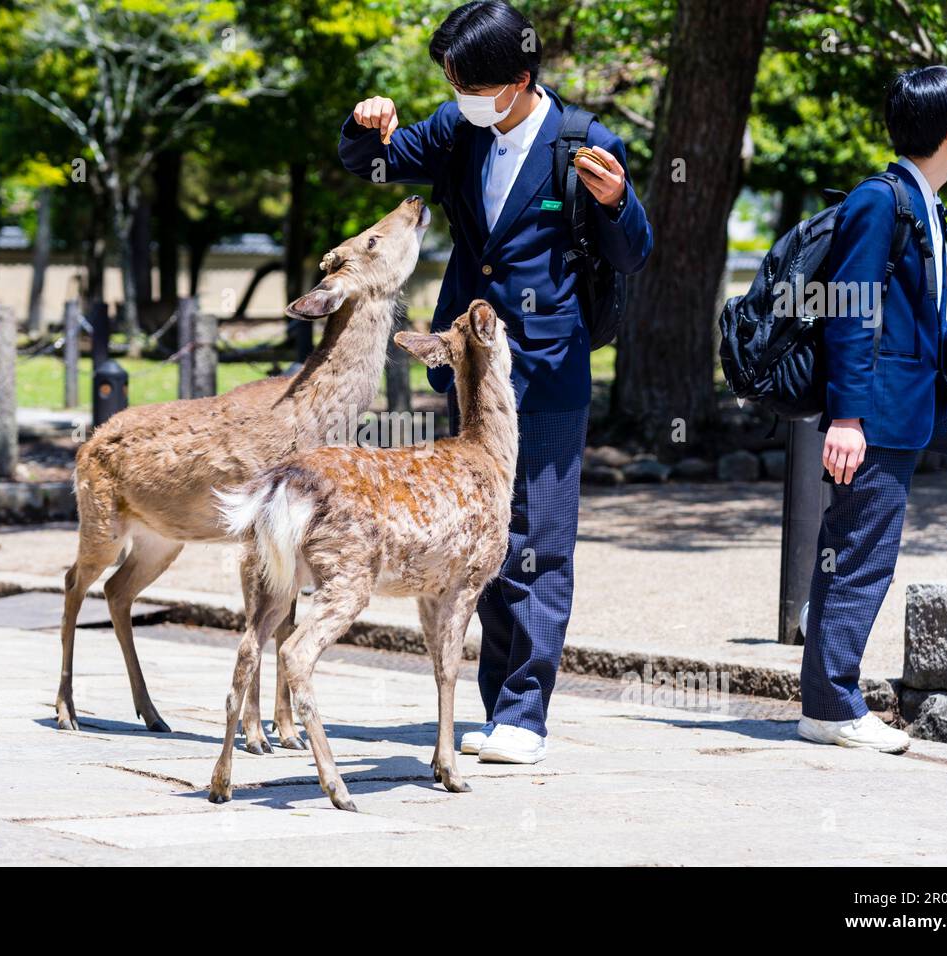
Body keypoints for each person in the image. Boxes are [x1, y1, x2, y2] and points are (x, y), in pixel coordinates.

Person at [339, 1, 652, 763]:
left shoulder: (584, 143)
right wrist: (363, 125)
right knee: (485, 538)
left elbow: (634, 251)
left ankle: (525, 713)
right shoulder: (458, 131)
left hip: (545, 373)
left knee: (539, 540)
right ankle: (493, 702)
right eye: (451, 82)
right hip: (467, 370)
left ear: (518, 80)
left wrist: (618, 203)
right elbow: (372, 163)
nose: (459, 97)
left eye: (470, 84)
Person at [800, 65, 947, 753]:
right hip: (876, 411)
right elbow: (851, 307)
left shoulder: (921, 199)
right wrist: (846, 418)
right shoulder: (881, 199)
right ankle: (828, 706)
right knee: (862, 551)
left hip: (920, 398)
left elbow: (923, 316)